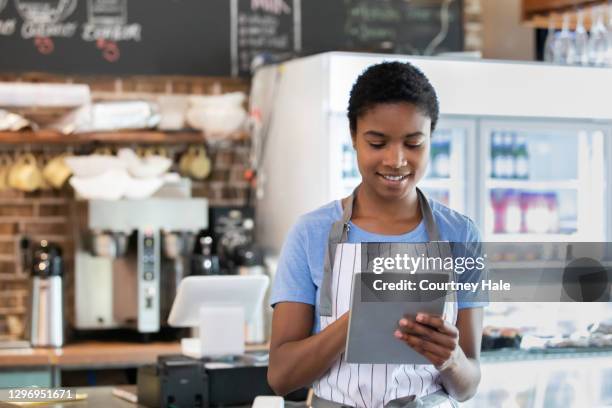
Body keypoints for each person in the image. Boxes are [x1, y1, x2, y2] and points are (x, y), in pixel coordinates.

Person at [267, 61, 485, 408]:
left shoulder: (460, 233)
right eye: (377, 142)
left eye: (413, 144)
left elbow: (468, 385)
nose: (396, 160)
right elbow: (281, 377)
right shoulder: (312, 232)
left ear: (431, 139)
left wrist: (452, 358)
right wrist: (358, 320)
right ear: (353, 136)